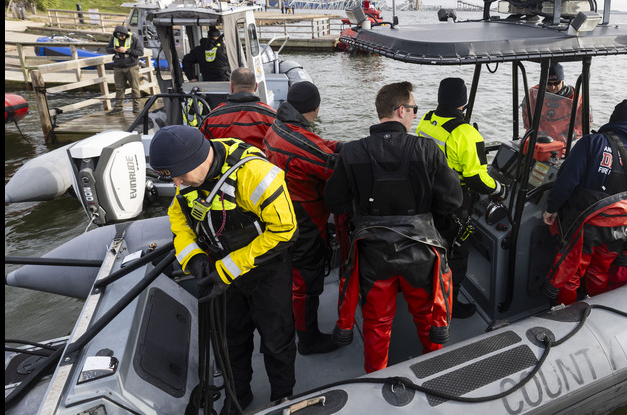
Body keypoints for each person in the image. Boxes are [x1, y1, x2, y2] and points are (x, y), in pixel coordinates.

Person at [148, 125, 298, 413]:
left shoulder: (254, 175)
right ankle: (238, 394)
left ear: (199, 160)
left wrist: (229, 267)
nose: (178, 184)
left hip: (265, 268)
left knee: (276, 337)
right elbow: (179, 221)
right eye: (173, 179)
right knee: (230, 339)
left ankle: (283, 395)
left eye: (180, 176)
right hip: (220, 270)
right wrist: (193, 257)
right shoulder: (185, 178)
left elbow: (285, 230)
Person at [324, 81, 462, 373]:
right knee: (427, 316)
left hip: (373, 254)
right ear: (401, 110)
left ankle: (377, 379)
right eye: (414, 110)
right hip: (421, 252)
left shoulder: (351, 152)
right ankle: (435, 370)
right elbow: (452, 199)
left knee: (376, 322)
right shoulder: (428, 149)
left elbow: (334, 201)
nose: (415, 115)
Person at [263, 81, 345, 355]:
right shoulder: (299, 140)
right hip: (305, 220)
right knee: (307, 282)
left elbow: (315, 147)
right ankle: (309, 340)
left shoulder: (279, 126)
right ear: (316, 107)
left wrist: (342, 145)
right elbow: (330, 167)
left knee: (296, 277)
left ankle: (297, 327)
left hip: (285, 210)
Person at [542, 99, 627, 303]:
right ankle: (597, 306)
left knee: (570, 274)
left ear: (612, 119)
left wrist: (552, 208)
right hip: (619, 227)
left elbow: (567, 179)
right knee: (599, 271)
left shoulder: (592, 142)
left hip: (587, 225)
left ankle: (568, 313)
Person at [416, 77, 503, 319]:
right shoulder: (467, 133)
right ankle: (448, 305)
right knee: (456, 253)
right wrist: (499, 189)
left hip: (429, 194)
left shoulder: (427, 119)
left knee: (434, 246)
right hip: (455, 201)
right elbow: (477, 179)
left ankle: (426, 291)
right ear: (463, 103)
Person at [199, 67, 277, 151]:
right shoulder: (272, 118)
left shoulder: (211, 119)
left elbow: (201, 151)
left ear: (231, 86)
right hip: (263, 163)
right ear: (256, 86)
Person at [521, 61, 591, 146]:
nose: (553, 87)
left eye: (556, 83)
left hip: (565, 142)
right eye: (549, 83)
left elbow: (585, 120)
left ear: (562, 80)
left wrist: (573, 134)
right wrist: (539, 134)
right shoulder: (534, 94)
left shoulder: (575, 97)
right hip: (539, 140)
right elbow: (527, 116)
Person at [106, 25, 145, 114]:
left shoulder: (134, 39)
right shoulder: (114, 39)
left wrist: (126, 51)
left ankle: (136, 106)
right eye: (118, 36)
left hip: (131, 67)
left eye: (122, 36)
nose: (120, 37)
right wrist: (115, 50)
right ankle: (118, 107)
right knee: (119, 88)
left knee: (135, 88)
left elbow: (140, 52)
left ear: (125, 34)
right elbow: (108, 49)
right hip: (118, 67)